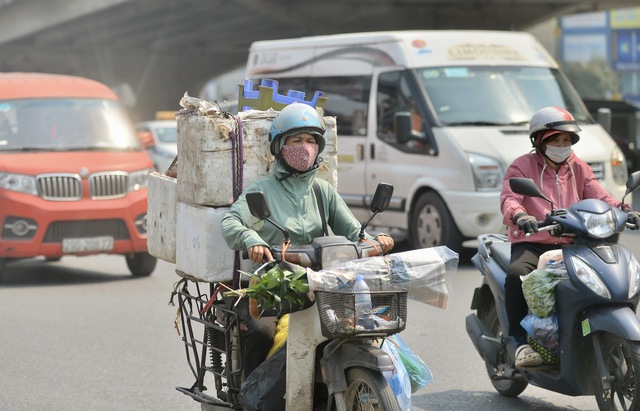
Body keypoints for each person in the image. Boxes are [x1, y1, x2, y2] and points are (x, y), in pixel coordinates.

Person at [221, 102, 394, 377]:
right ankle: (251, 395)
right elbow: (231, 221)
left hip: (318, 283)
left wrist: (376, 242)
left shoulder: (322, 191)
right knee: (261, 333)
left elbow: (354, 232)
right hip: (271, 285)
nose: (305, 146)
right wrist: (252, 240)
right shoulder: (262, 190)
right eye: (296, 140)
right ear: (280, 146)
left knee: (361, 325)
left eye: (311, 140)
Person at [500, 106, 640, 368]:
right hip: (535, 241)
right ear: (540, 141)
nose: (562, 145)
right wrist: (521, 216)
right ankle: (518, 342)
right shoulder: (522, 166)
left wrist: (625, 210)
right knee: (516, 274)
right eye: (556, 140)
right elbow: (510, 198)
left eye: (567, 140)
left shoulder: (578, 167)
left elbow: (600, 195)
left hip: (575, 242)